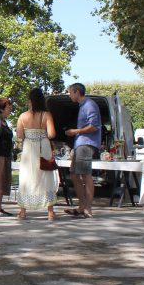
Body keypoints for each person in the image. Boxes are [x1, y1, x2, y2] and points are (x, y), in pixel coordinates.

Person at [15, 88, 58, 221]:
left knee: (26, 177)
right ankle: (50, 212)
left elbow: (19, 135)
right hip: (43, 147)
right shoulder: (47, 115)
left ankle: (22, 211)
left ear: (30, 101)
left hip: (29, 148)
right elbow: (51, 134)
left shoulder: (22, 116)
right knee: (46, 176)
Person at [64, 83, 101, 218]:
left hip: (86, 144)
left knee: (85, 175)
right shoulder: (83, 106)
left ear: (77, 92)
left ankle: (88, 209)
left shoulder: (89, 104)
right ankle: (81, 206)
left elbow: (95, 126)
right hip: (80, 144)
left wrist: (76, 131)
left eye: (70, 93)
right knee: (74, 174)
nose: (69, 95)